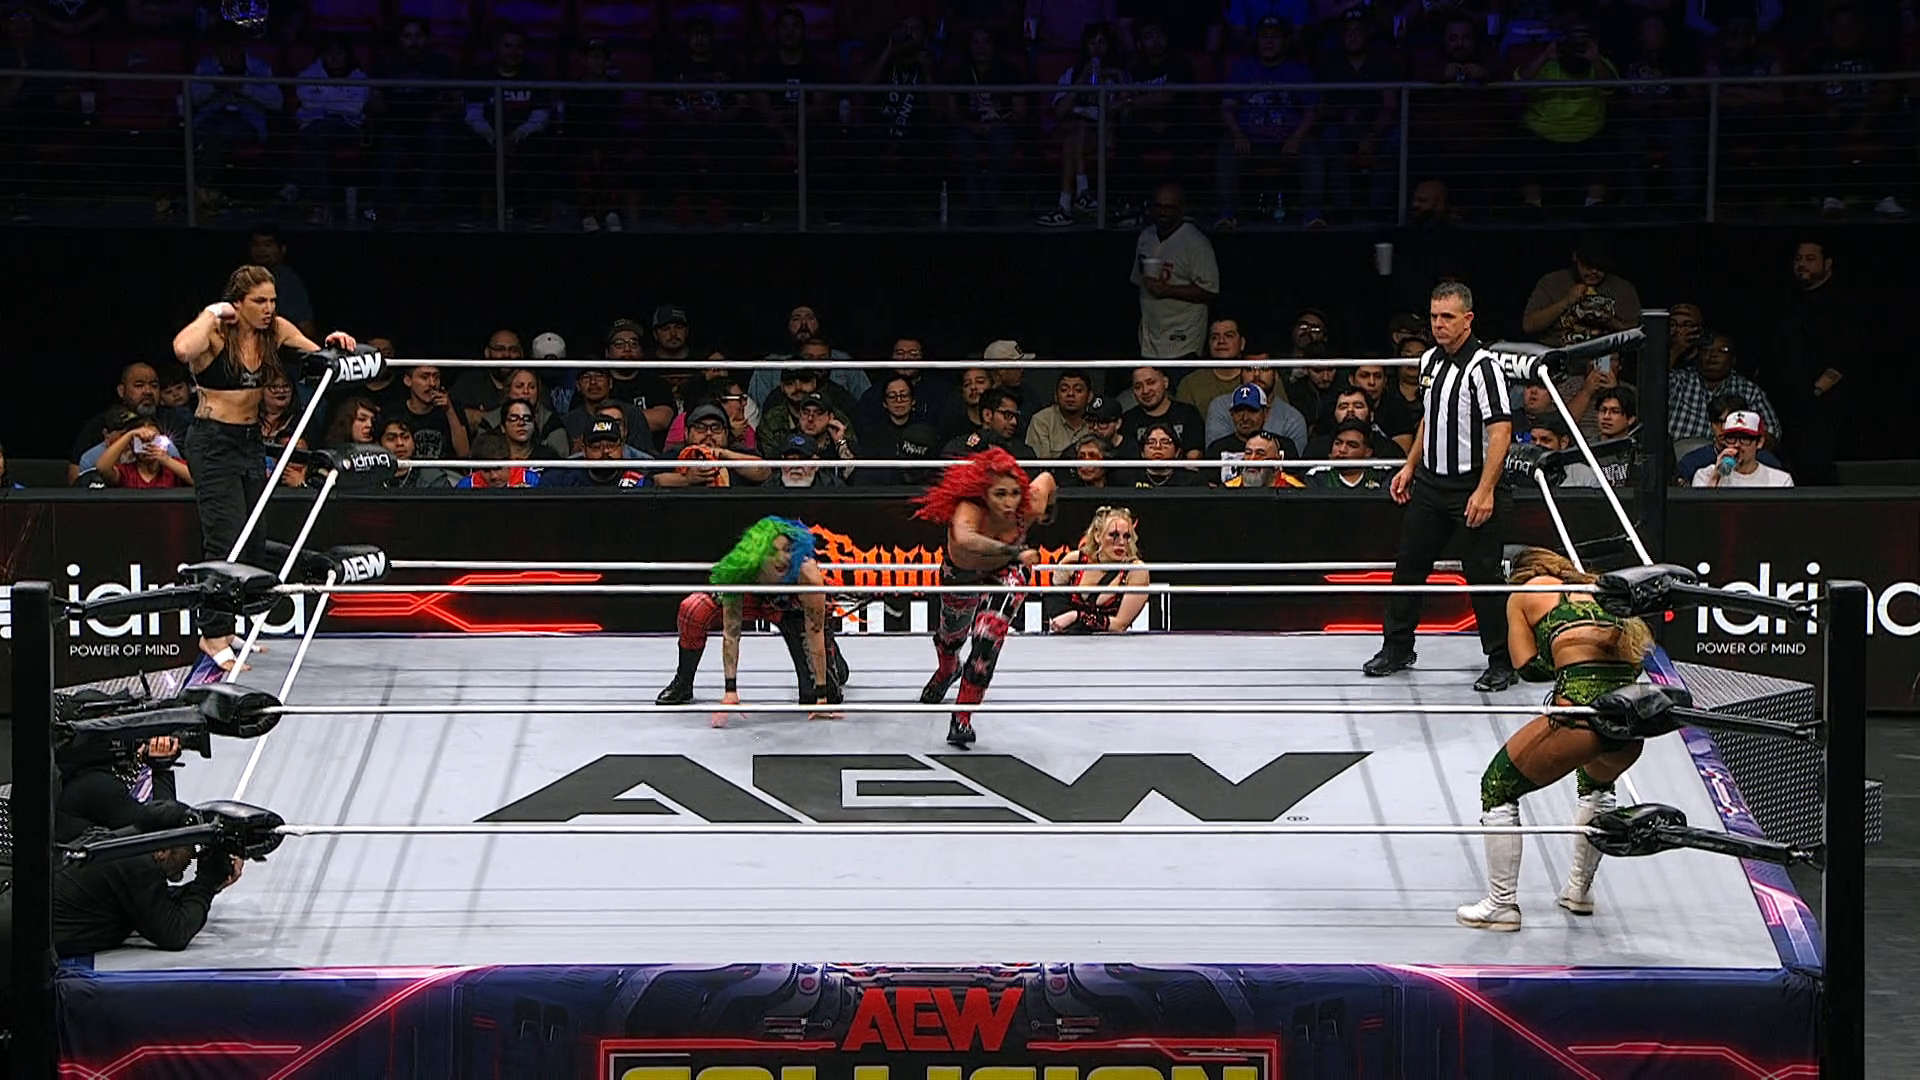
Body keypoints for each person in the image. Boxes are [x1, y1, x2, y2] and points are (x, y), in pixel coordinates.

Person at [1457, 547, 1654, 931]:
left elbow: (1527, 667)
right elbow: (1637, 659)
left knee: (1497, 786)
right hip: (1632, 724)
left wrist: (1559, 651)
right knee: (1597, 784)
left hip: (1580, 718)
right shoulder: (1603, 590)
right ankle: (1579, 891)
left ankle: (1501, 905)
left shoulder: (1524, 594)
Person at [171, 264, 357, 672]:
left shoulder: (276, 330)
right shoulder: (216, 333)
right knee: (224, 538)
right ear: (237, 303)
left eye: (272, 300)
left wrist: (335, 342)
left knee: (253, 541)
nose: (269, 308)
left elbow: (316, 354)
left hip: (249, 441)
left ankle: (229, 626)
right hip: (212, 442)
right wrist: (212, 313)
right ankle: (211, 633)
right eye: (259, 301)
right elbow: (182, 349)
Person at [1366, 282, 1515, 692]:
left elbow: (1501, 432)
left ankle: (1501, 660)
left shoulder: (1485, 367)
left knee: (1483, 574)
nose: (1438, 324)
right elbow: (1430, 419)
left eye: (1447, 317)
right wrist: (1410, 466)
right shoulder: (1429, 360)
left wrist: (1485, 490)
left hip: (1472, 483)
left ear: (1468, 319)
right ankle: (1397, 647)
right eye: (1433, 316)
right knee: (1409, 565)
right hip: (1432, 484)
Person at [913, 447, 1058, 748]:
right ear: (984, 494)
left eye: (1014, 493)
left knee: (988, 636)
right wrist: (1015, 551)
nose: (1009, 503)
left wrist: (1049, 513)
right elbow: (966, 538)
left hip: (1006, 571)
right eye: (999, 494)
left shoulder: (1030, 502)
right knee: (950, 638)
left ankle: (962, 717)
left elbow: (1047, 479)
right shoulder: (969, 509)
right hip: (962, 573)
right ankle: (947, 670)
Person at [656, 517, 850, 713]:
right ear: (758, 553)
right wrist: (730, 691)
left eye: (787, 550)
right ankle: (683, 682)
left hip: (792, 608)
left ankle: (832, 659)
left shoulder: (806, 573)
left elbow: (814, 630)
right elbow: (731, 633)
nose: (782, 558)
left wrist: (822, 695)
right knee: (694, 609)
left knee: (820, 696)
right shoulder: (739, 569)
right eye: (772, 552)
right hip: (751, 597)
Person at [53, 837, 246, 956]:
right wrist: (206, 884)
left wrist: (211, 884)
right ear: (162, 851)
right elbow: (175, 933)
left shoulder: (122, 847)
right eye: (187, 854)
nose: (187, 864)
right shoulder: (136, 865)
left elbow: (159, 901)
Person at [1046, 506, 1150, 633]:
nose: (1121, 542)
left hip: (1111, 643)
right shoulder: (1075, 561)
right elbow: (1054, 604)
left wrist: (1076, 616)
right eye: (1114, 535)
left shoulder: (1135, 571)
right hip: (1070, 641)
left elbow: (1120, 625)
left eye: (1126, 536)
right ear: (1098, 536)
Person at [1690, 410, 1793, 488]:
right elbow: (1703, 510)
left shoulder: (1780, 481)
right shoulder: (1704, 475)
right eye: (1731, 438)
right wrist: (1715, 478)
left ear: (1759, 442)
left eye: (1744, 438)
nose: (1737, 444)